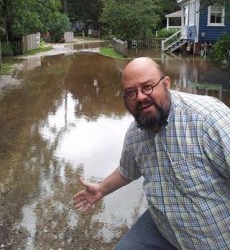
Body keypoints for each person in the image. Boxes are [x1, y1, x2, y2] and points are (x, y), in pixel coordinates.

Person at [73, 57, 230, 250]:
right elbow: (127, 169)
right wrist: (101, 189)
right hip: (162, 225)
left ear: (166, 84)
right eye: (131, 93)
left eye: (147, 86)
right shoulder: (135, 132)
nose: (139, 97)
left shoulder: (208, 119)